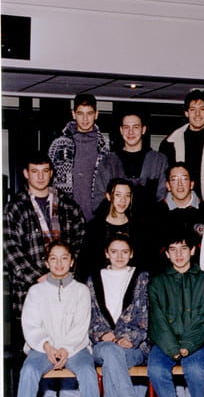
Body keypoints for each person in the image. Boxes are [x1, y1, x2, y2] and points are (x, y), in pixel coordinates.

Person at [4, 152, 86, 397]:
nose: (40, 176)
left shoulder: (67, 204)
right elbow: (10, 248)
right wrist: (38, 277)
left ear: (51, 172)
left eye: (45, 171)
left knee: (68, 338)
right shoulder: (14, 207)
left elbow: (80, 239)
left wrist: (68, 269)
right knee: (41, 343)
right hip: (31, 290)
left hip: (66, 285)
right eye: (34, 171)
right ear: (26, 174)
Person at [8, 240, 108, 397]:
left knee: (87, 371)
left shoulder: (81, 290)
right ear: (47, 263)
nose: (59, 263)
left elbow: (81, 325)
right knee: (29, 370)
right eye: (53, 258)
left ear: (71, 262)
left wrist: (66, 349)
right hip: (43, 348)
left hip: (75, 348)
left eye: (64, 258)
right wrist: (46, 346)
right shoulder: (36, 291)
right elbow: (30, 325)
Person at [148, 230, 204, 397]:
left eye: (183, 249)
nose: (179, 254)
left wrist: (189, 344)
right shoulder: (158, 282)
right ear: (167, 254)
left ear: (192, 250)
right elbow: (157, 319)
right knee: (156, 369)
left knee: (195, 369)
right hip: (166, 341)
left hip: (196, 341)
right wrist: (173, 347)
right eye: (173, 250)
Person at [88, 234, 149, 397]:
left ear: (131, 254)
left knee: (111, 363)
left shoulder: (142, 277)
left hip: (133, 346)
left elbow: (146, 315)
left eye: (124, 251)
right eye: (114, 251)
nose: (119, 256)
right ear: (107, 254)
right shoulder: (93, 279)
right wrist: (102, 334)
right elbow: (90, 315)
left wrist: (130, 338)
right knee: (110, 353)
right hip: (103, 343)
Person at [48, 93, 110, 221]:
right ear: (73, 114)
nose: (85, 119)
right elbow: (48, 183)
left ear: (96, 114)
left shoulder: (106, 148)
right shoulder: (59, 145)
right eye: (80, 113)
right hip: (65, 217)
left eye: (89, 113)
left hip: (98, 218)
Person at [93, 109, 168, 210]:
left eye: (135, 127)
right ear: (121, 130)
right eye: (126, 127)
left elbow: (163, 198)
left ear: (143, 130)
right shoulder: (108, 162)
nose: (130, 132)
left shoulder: (159, 161)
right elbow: (99, 199)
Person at [159, 90, 204, 206]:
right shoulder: (169, 143)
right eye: (193, 109)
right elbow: (164, 180)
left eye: (202, 109)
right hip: (178, 207)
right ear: (186, 113)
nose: (197, 114)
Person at [79, 178, 145, 282]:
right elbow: (84, 262)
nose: (123, 200)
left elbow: (142, 262)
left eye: (127, 195)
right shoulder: (95, 226)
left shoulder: (137, 227)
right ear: (108, 196)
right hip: (100, 282)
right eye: (118, 195)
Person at [150, 164, 204, 271]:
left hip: (201, 274)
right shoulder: (154, 214)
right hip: (165, 275)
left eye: (184, 179)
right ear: (168, 185)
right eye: (174, 179)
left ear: (191, 184)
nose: (180, 184)